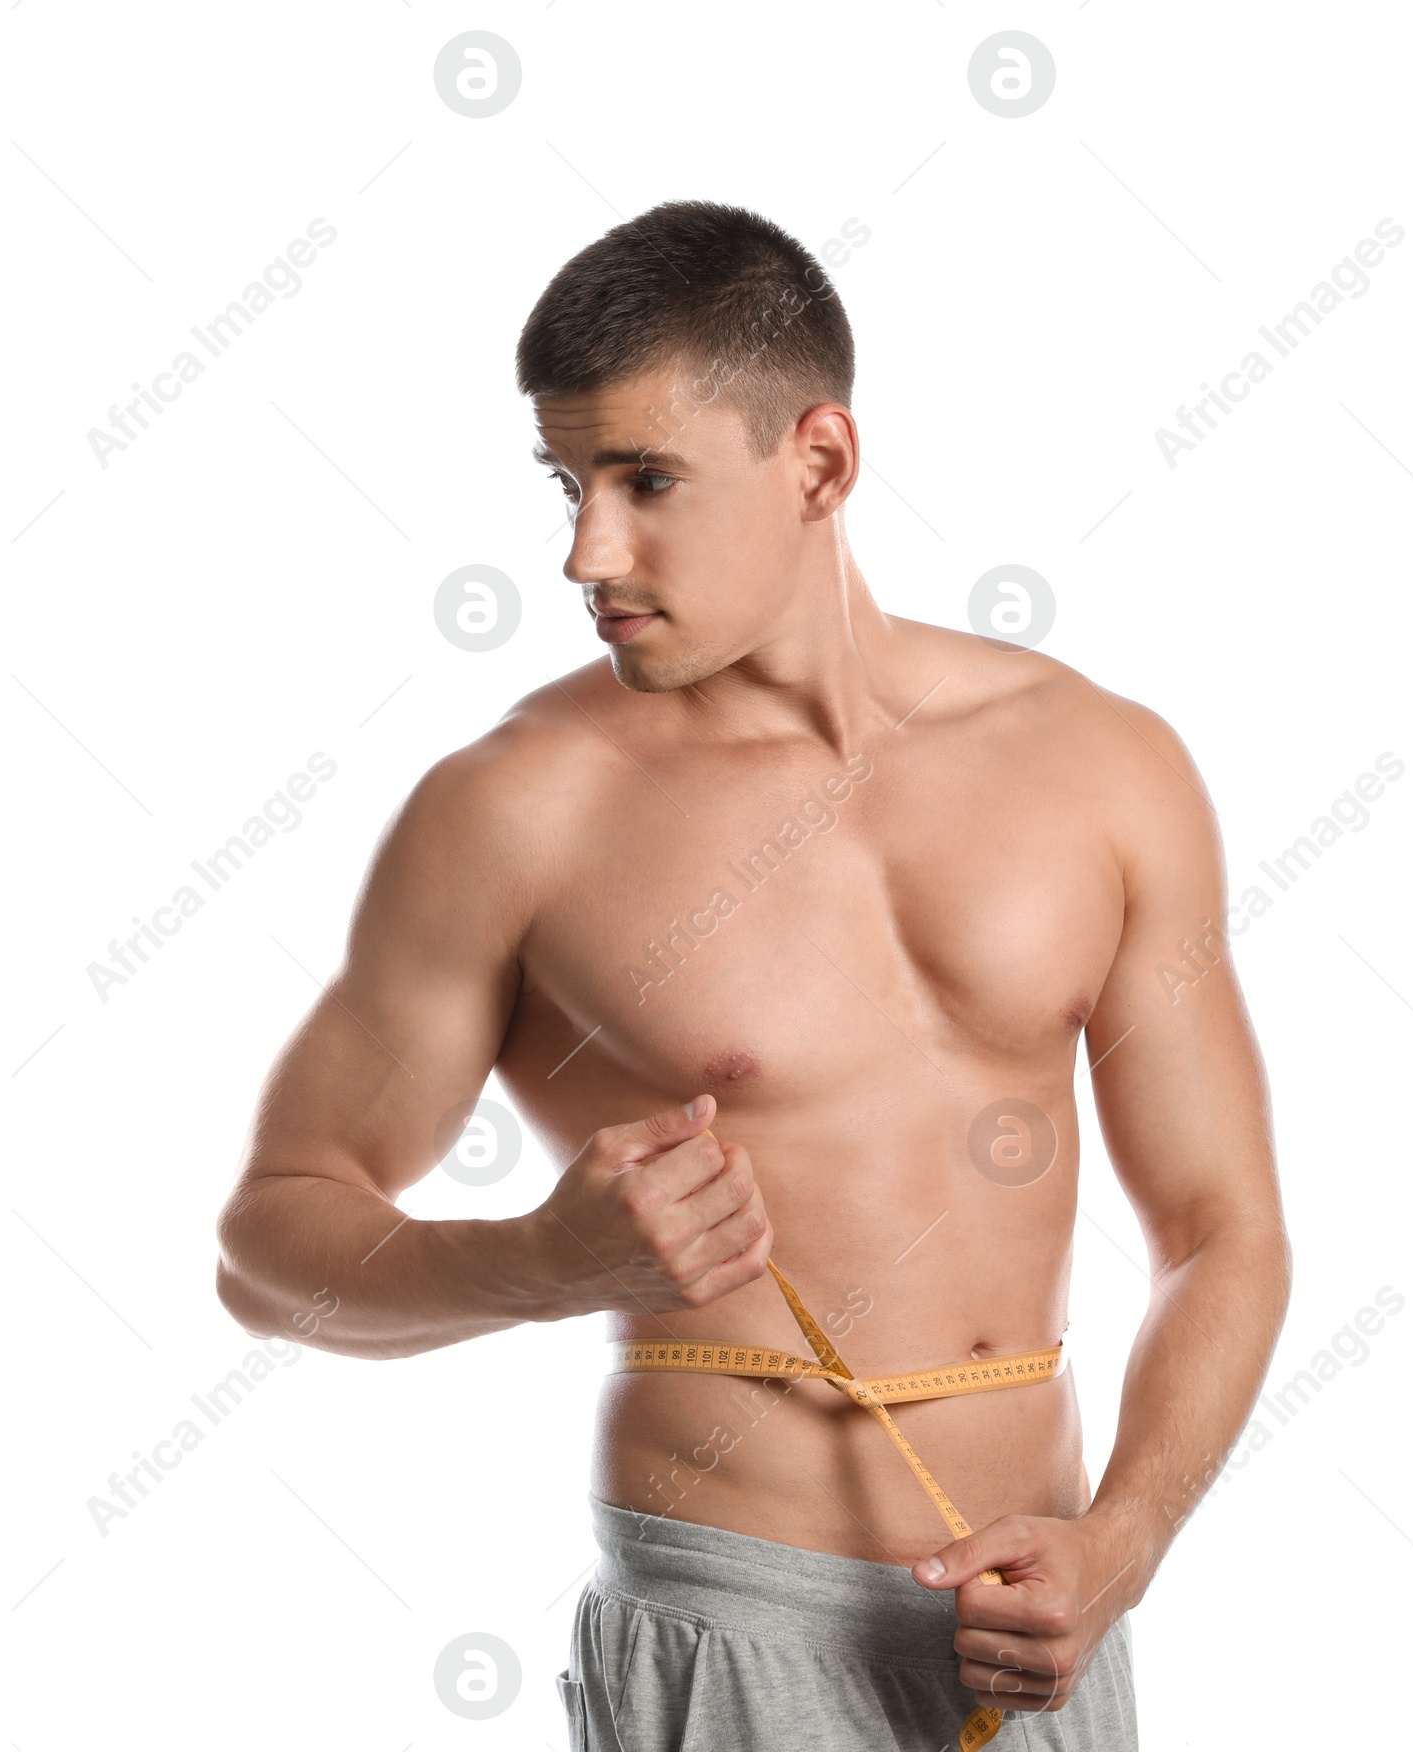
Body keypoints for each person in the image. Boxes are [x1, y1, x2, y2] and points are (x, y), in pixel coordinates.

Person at [215, 199, 1291, 1751]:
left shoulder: (1103, 768)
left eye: (645, 481)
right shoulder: (516, 809)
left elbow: (1222, 1231)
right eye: (566, 484)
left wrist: (1119, 1546)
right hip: (732, 1621)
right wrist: (542, 1263)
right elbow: (267, 1250)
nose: (586, 550)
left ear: (822, 462)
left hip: (1039, 1628)